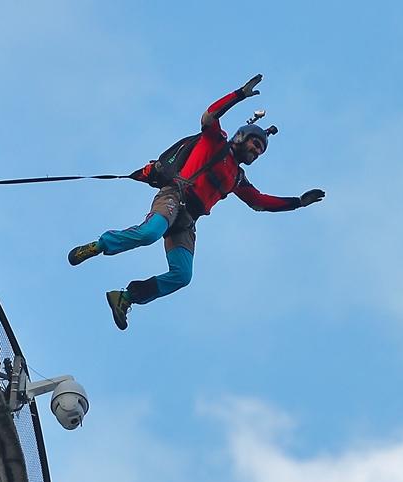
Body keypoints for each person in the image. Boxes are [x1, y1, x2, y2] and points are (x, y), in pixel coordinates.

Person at [67, 74, 325, 330]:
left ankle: (126, 297)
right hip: (174, 196)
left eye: (261, 150)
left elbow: (259, 201)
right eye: (255, 144)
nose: (257, 151)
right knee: (149, 234)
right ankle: (100, 245)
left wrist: (298, 202)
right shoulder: (215, 142)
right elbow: (209, 116)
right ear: (241, 137)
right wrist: (239, 95)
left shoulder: (237, 178)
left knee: (182, 275)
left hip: (188, 220)